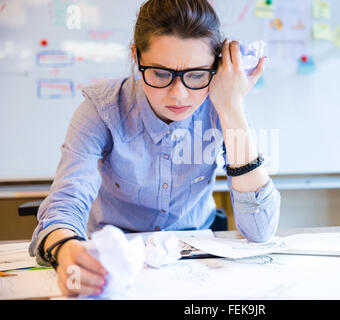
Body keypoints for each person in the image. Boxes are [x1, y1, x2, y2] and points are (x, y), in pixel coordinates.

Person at [29, 0, 280, 296]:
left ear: (217, 67)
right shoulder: (102, 110)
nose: (179, 94)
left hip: (195, 267)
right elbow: (66, 201)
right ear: (136, 57)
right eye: (160, 74)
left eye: (197, 74)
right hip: (113, 266)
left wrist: (232, 108)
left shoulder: (222, 106)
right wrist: (65, 248)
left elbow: (261, 231)